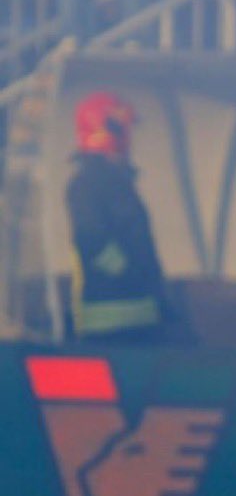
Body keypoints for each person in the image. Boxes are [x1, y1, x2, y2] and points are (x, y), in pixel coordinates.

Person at [66, 91, 171, 345]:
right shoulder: (86, 184)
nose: (130, 138)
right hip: (110, 320)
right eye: (125, 128)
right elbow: (91, 239)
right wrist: (132, 275)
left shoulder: (118, 181)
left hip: (141, 314)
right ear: (107, 129)